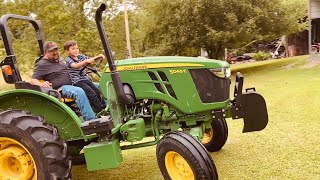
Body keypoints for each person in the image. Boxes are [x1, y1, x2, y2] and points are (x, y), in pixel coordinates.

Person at [31, 41, 97, 121]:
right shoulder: (42, 64)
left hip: (74, 83)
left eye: (56, 50)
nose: (55, 52)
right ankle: (91, 120)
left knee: (98, 86)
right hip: (61, 89)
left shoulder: (60, 59)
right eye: (52, 51)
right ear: (45, 52)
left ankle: (103, 111)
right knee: (79, 92)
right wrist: (42, 84)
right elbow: (33, 80)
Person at [64, 40, 106, 114]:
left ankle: (105, 107)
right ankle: (100, 111)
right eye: (73, 49)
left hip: (85, 79)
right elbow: (75, 66)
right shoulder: (69, 60)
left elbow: (91, 59)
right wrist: (86, 61)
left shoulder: (80, 56)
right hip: (78, 81)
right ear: (67, 52)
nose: (76, 50)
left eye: (77, 48)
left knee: (97, 92)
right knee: (91, 94)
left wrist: (99, 56)